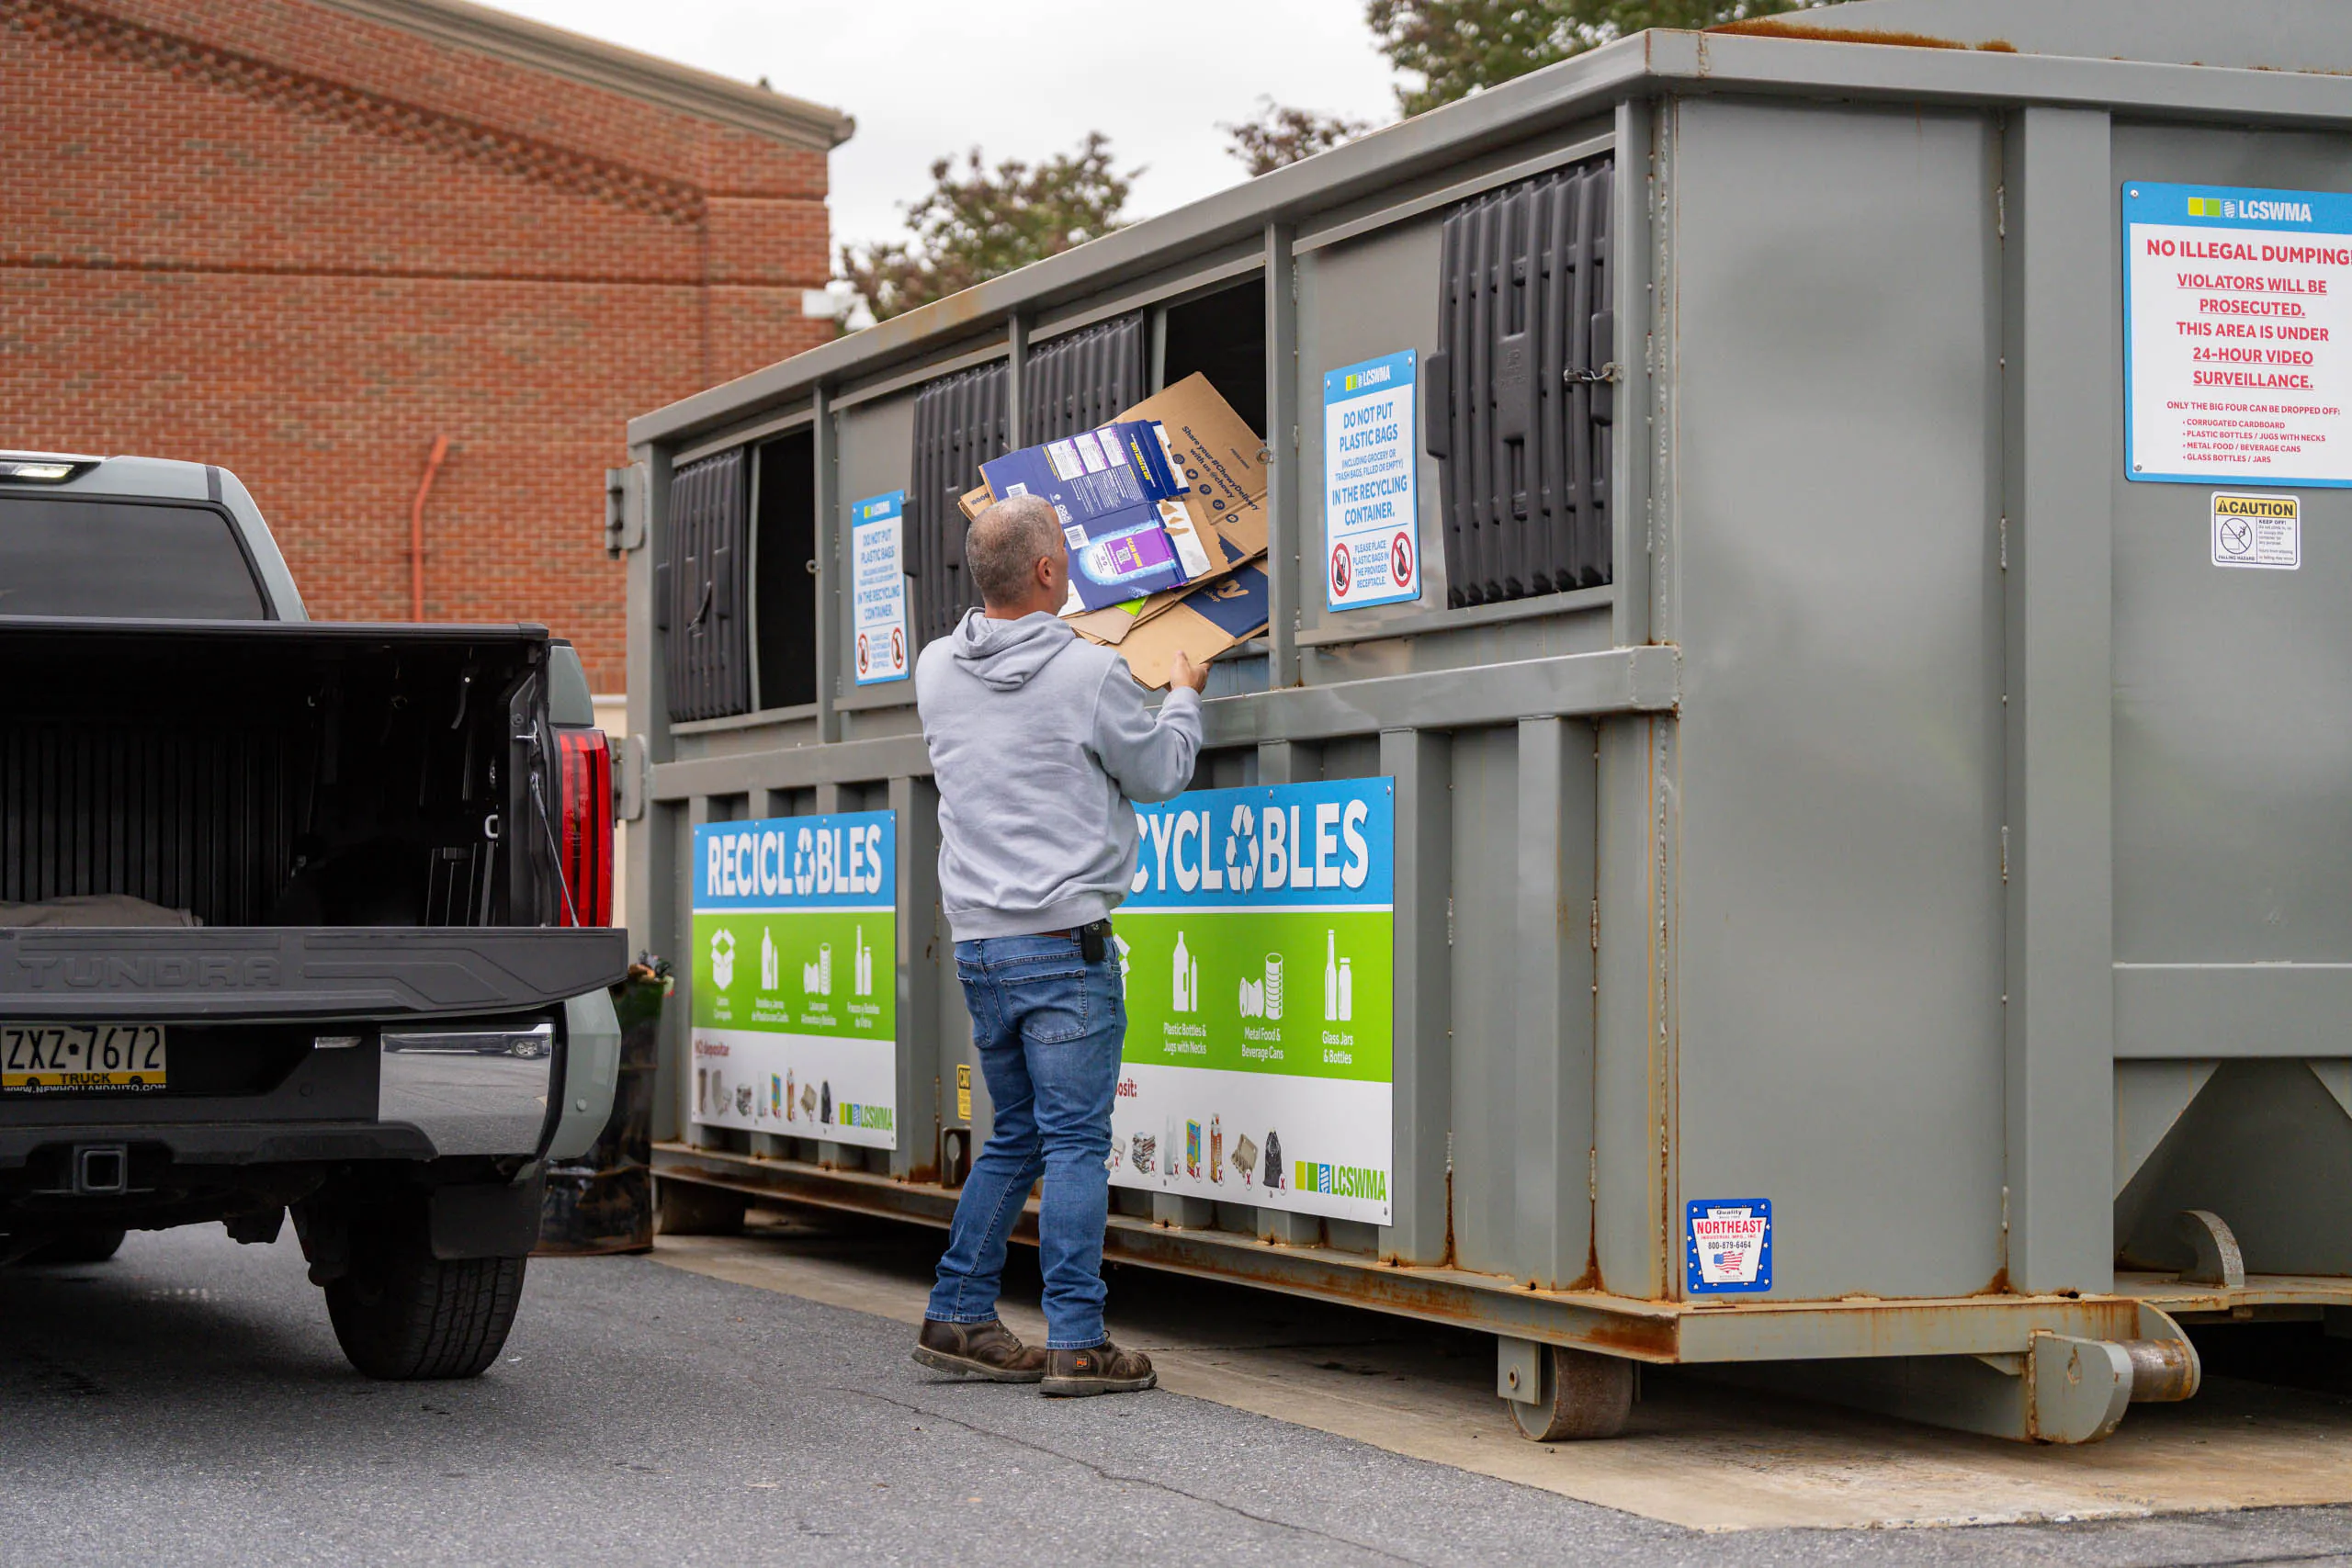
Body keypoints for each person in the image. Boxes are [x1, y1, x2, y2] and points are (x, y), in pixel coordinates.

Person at [910, 493, 1209, 1397]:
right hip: (1061, 946)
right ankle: (1077, 1338)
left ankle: (957, 1311)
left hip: (982, 949)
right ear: (1047, 572)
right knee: (1076, 1141)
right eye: (1063, 554)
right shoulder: (1090, 674)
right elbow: (1157, 774)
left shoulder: (933, 669)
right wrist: (1185, 700)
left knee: (1020, 1137)